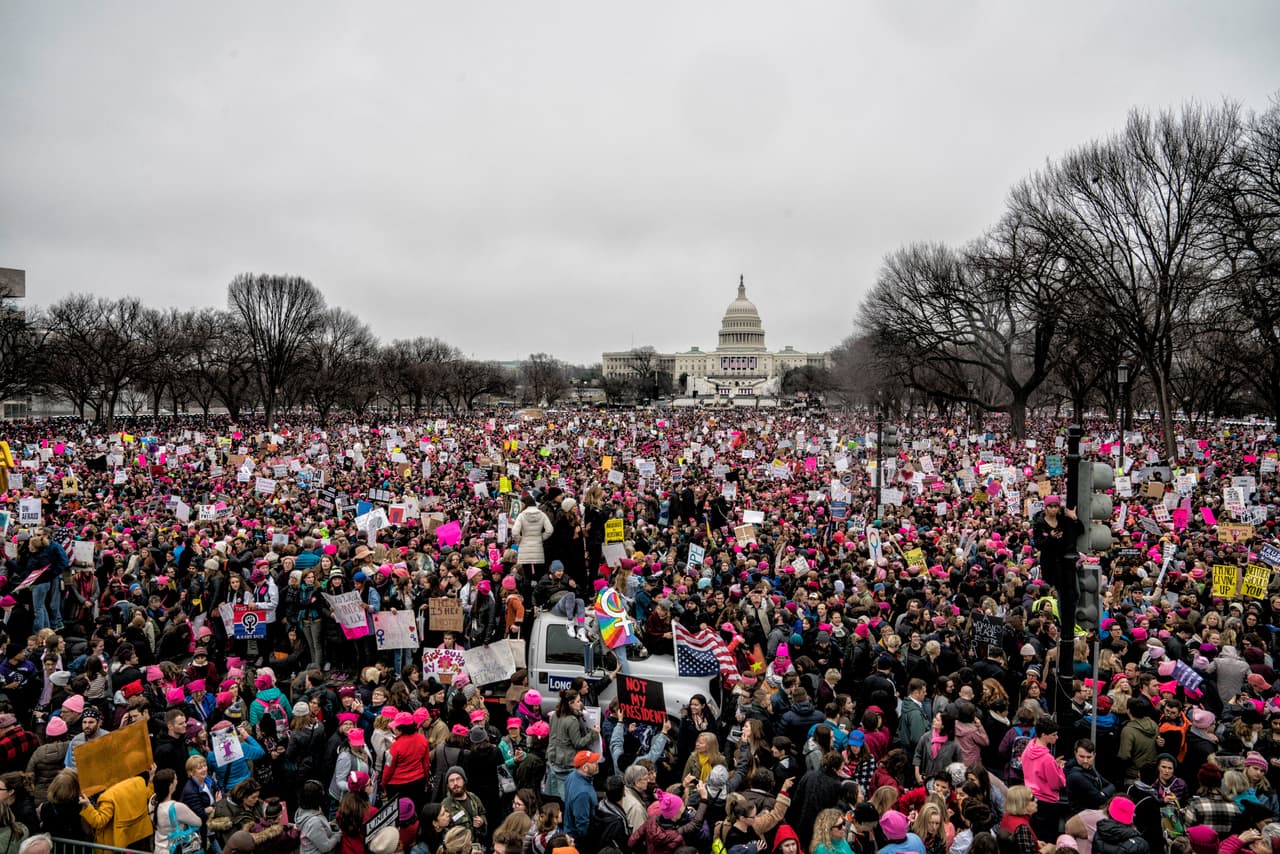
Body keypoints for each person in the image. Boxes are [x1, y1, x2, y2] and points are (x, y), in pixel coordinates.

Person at [79, 765, 156, 850]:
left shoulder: (108, 796)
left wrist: (87, 805)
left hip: (119, 843)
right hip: (140, 835)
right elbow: (149, 796)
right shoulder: (139, 781)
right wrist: (151, 779)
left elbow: (99, 821)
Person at [1019, 717, 1066, 841]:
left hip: (1030, 797)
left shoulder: (1029, 747)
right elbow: (1056, 784)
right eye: (1054, 735)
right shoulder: (1047, 759)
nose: (1057, 737)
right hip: (1047, 803)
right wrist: (1059, 769)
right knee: (1047, 840)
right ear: (1044, 735)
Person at [151, 767, 203, 854]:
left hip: (159, 849)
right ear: (170, 785)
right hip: (175, 850)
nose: (177, 781)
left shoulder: (152, 803)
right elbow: (198, 822)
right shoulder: (177, 807)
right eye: (175, 779)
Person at [996, 786, 1053, 854]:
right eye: (1032, 798)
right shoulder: (1022, 828)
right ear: (1022, 804)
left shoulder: (1007, 816)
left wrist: (1035, 842)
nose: (1036, 800)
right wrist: (1046, 850)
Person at [563, 750, 599, 843]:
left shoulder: (572, 776)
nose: (597, 764)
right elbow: (582, 826)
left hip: (568, 828)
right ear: (585, 768)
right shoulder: (583, 794)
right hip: (578, 841)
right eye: (593, 762)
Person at [297, 780, 341, 854]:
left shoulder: (303, 810)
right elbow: (326, 847)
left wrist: (328, 824)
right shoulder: (314, 822)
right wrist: (338, 835)